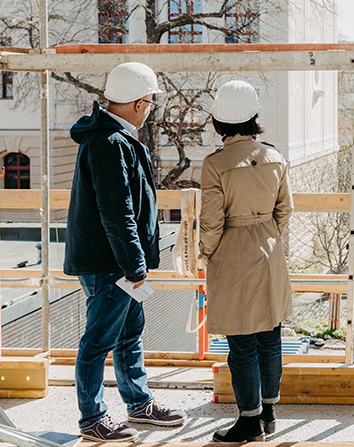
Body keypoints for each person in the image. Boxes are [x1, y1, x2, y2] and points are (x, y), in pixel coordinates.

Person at [65, 62, 187, 442]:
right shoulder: (109, 143)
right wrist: (135, 266)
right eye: (150, 101)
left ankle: (138, 403)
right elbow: (118, 213)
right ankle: (93, 419)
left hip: (117, 261)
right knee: (98, 340)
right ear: (136, 103)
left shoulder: (111, 137)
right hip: (112, 264)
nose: (151, 108)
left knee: (129, 332)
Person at [199, 81, 295, 442]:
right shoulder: (274, 156)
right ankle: (269, 414)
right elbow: (285, 210)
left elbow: (211, 220)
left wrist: (205, 253)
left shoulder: (215, 164)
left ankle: (248, 421)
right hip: (269, 250)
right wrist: (266, 233)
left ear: (219, 122)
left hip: (232, 253)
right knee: (270, 337)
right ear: (254, 116)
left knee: (241, 343)